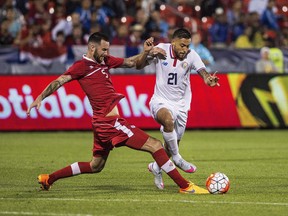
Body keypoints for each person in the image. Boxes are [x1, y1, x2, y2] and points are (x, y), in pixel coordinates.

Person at [26, 32, 209, 194]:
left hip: (100, 124)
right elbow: (60, 81)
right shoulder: (81, 66)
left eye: (108, 50)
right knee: (155, 145)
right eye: (104, 50)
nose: (107, 53)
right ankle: (185, 186)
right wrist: (40, 97)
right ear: (92, 48)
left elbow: (131, 62)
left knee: (95, 166)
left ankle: (48, 178)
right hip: (110, 122)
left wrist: (147, 52)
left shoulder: (104, 61)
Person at [136, 28, 219, 190]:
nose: (185, 49)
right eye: (182, 45)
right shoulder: (161, 50)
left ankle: (156, 167)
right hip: (160, 101)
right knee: (168, 120)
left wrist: (208, 80)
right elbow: (139, 65)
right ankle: (178, 158)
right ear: (172, 42)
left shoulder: (192, 55)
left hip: (181, 105)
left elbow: (203, 72)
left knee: (169, 145)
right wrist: (146, 53)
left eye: (187, 46)